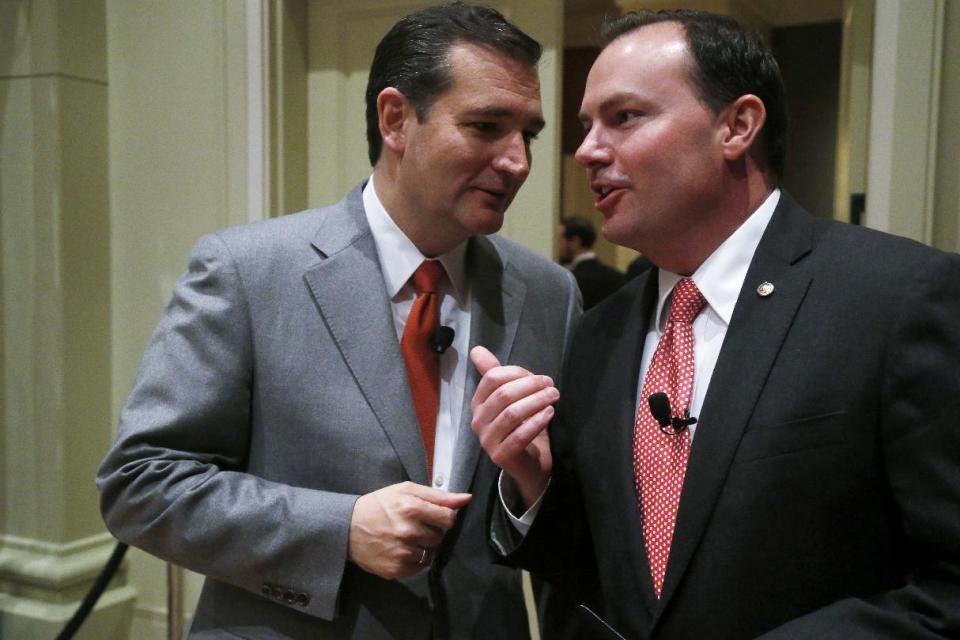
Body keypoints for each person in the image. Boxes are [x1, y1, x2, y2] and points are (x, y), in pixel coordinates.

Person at [470, 9, 960, 640]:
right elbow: (612, 579)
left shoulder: (898, 298)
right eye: (586, 125)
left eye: (624, 117)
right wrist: (533, 483)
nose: (586, 150)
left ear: (738, 125)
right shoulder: (600, 332)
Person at [97, 4, 581, 639]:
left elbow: (563, 512)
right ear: (395, 119)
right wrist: (341, 529)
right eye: (487, 126)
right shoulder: (247, 271)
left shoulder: (550, 294)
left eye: (529, 134)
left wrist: (532, 491)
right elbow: (140, 484)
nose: (517, 161)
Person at [558, 216, 625, 309]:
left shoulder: (571, 281)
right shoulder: (617, 276)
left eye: (560, 239)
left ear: (575, 241)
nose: (559, 246)